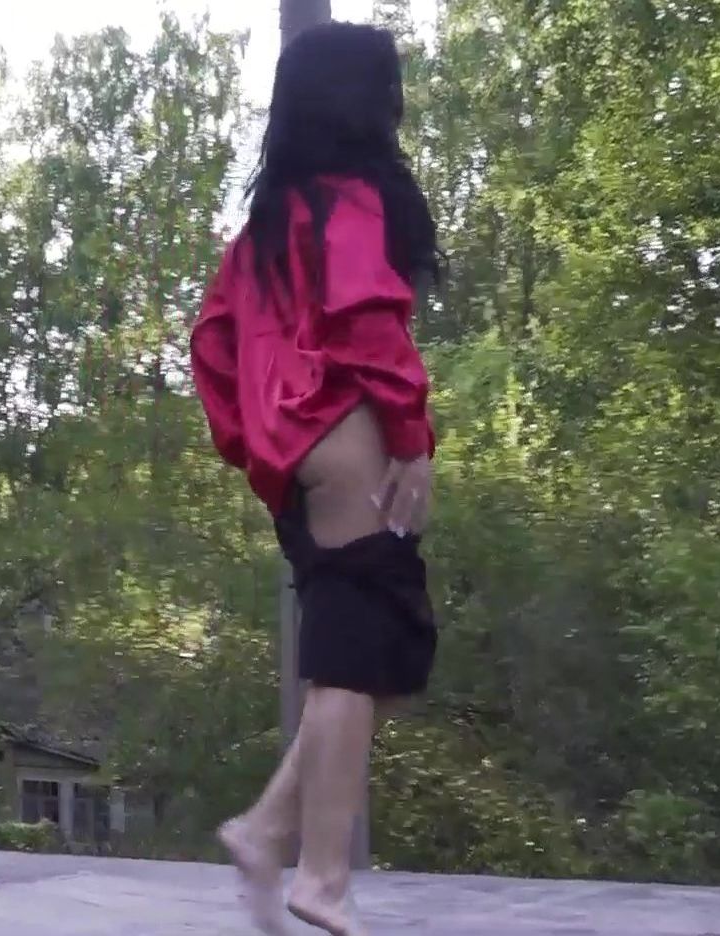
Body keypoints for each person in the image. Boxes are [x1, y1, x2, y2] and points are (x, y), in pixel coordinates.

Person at [190, 21, 439, 936]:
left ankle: (265, 828)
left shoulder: (263, 229)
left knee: (382, 655)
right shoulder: (348, 203)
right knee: (353, 657)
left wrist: (260, 445)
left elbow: (211, 345)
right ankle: (321, 877)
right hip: (348, 434)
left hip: (299, 454)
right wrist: (410, 436)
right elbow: (369, 328)